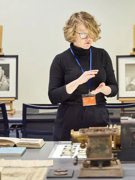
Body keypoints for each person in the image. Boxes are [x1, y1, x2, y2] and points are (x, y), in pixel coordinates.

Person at [48, 11, 118, 141]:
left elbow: (114, 87)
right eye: (84, 34)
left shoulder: (102, 55)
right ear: (72, 34)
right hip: (69, 123)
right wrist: (78, 82)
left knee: (99, 159)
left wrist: (104, 89)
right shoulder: (60, 59)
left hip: (98, 121)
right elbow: (53, 96)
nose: (89, 39)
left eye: (91, 34)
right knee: (67, 161)